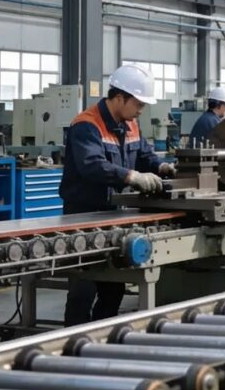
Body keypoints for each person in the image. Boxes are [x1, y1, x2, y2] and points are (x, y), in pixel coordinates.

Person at [60, 64, 177, 325]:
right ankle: (72, 340)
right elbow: (92, 165)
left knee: (114, 287)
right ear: (120, 97)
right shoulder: (86, 124)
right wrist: (131, 177)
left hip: (115, 215)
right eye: (138, 103)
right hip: (84, 217)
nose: (141, 110)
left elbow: (144, 155)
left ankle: (101, 337)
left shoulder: (131, 124)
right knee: (83, 287)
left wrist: (162, 167)